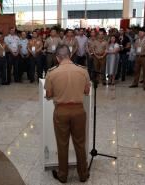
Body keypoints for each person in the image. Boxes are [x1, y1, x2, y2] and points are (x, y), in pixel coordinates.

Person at [44, 45, 90, 183]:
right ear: (70, 55)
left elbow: (49, 94)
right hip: (78, 111)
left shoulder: (51, 72)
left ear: (57, 57)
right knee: (80, 144)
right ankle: (83, 174)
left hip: (61, 112)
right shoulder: (83, 70)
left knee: (62, 144)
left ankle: (63, 175)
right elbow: (87, 91)